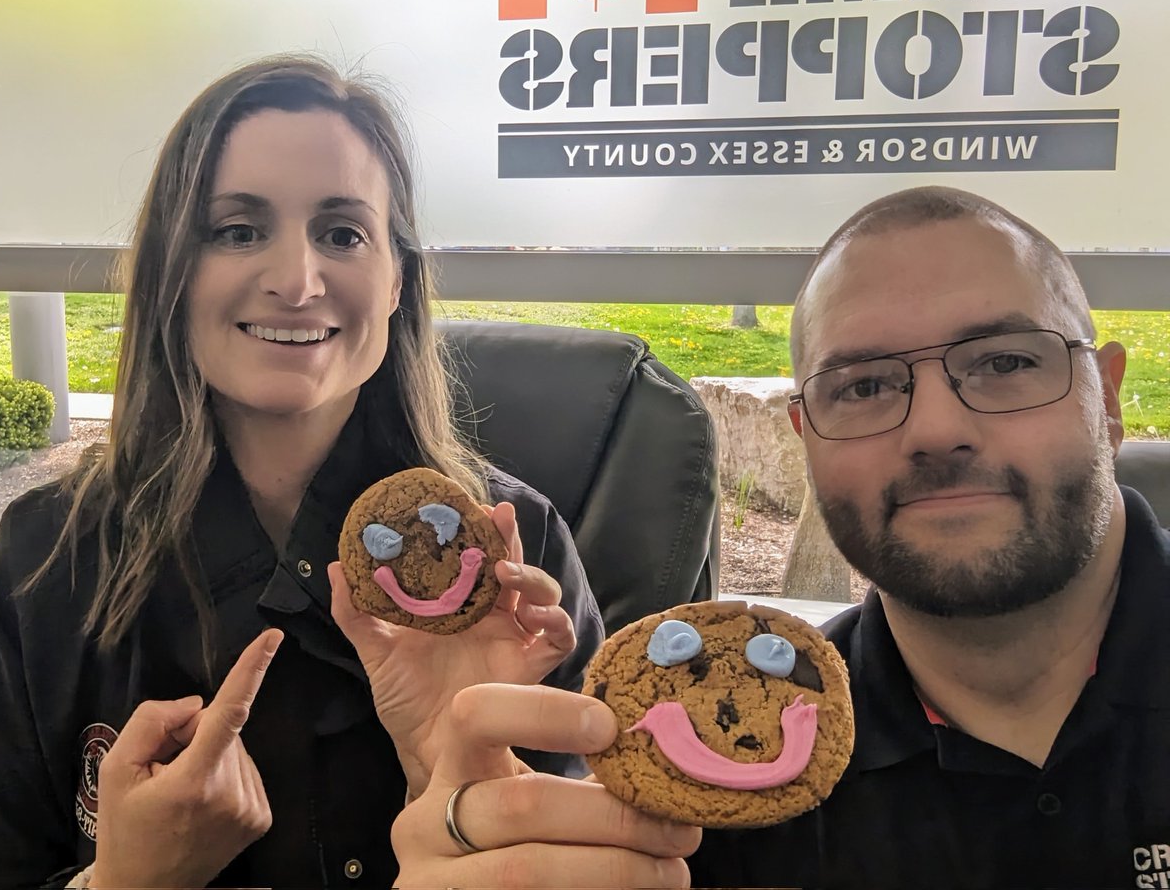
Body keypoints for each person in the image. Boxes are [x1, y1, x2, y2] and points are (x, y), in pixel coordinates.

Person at [387, 185, 1170, 889]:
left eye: (1003, 362)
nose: (936, 429)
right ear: (807, 435)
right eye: (863, 386)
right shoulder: (719, 788)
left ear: (1105, 396)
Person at [0, 56, 604, 889]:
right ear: (173, 272)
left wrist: (455, 784)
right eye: (238, 230)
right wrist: (123, 882)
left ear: (395, 281)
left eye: (343, 234)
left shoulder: (514, 565)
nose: (296, 282)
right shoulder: (47, 557)